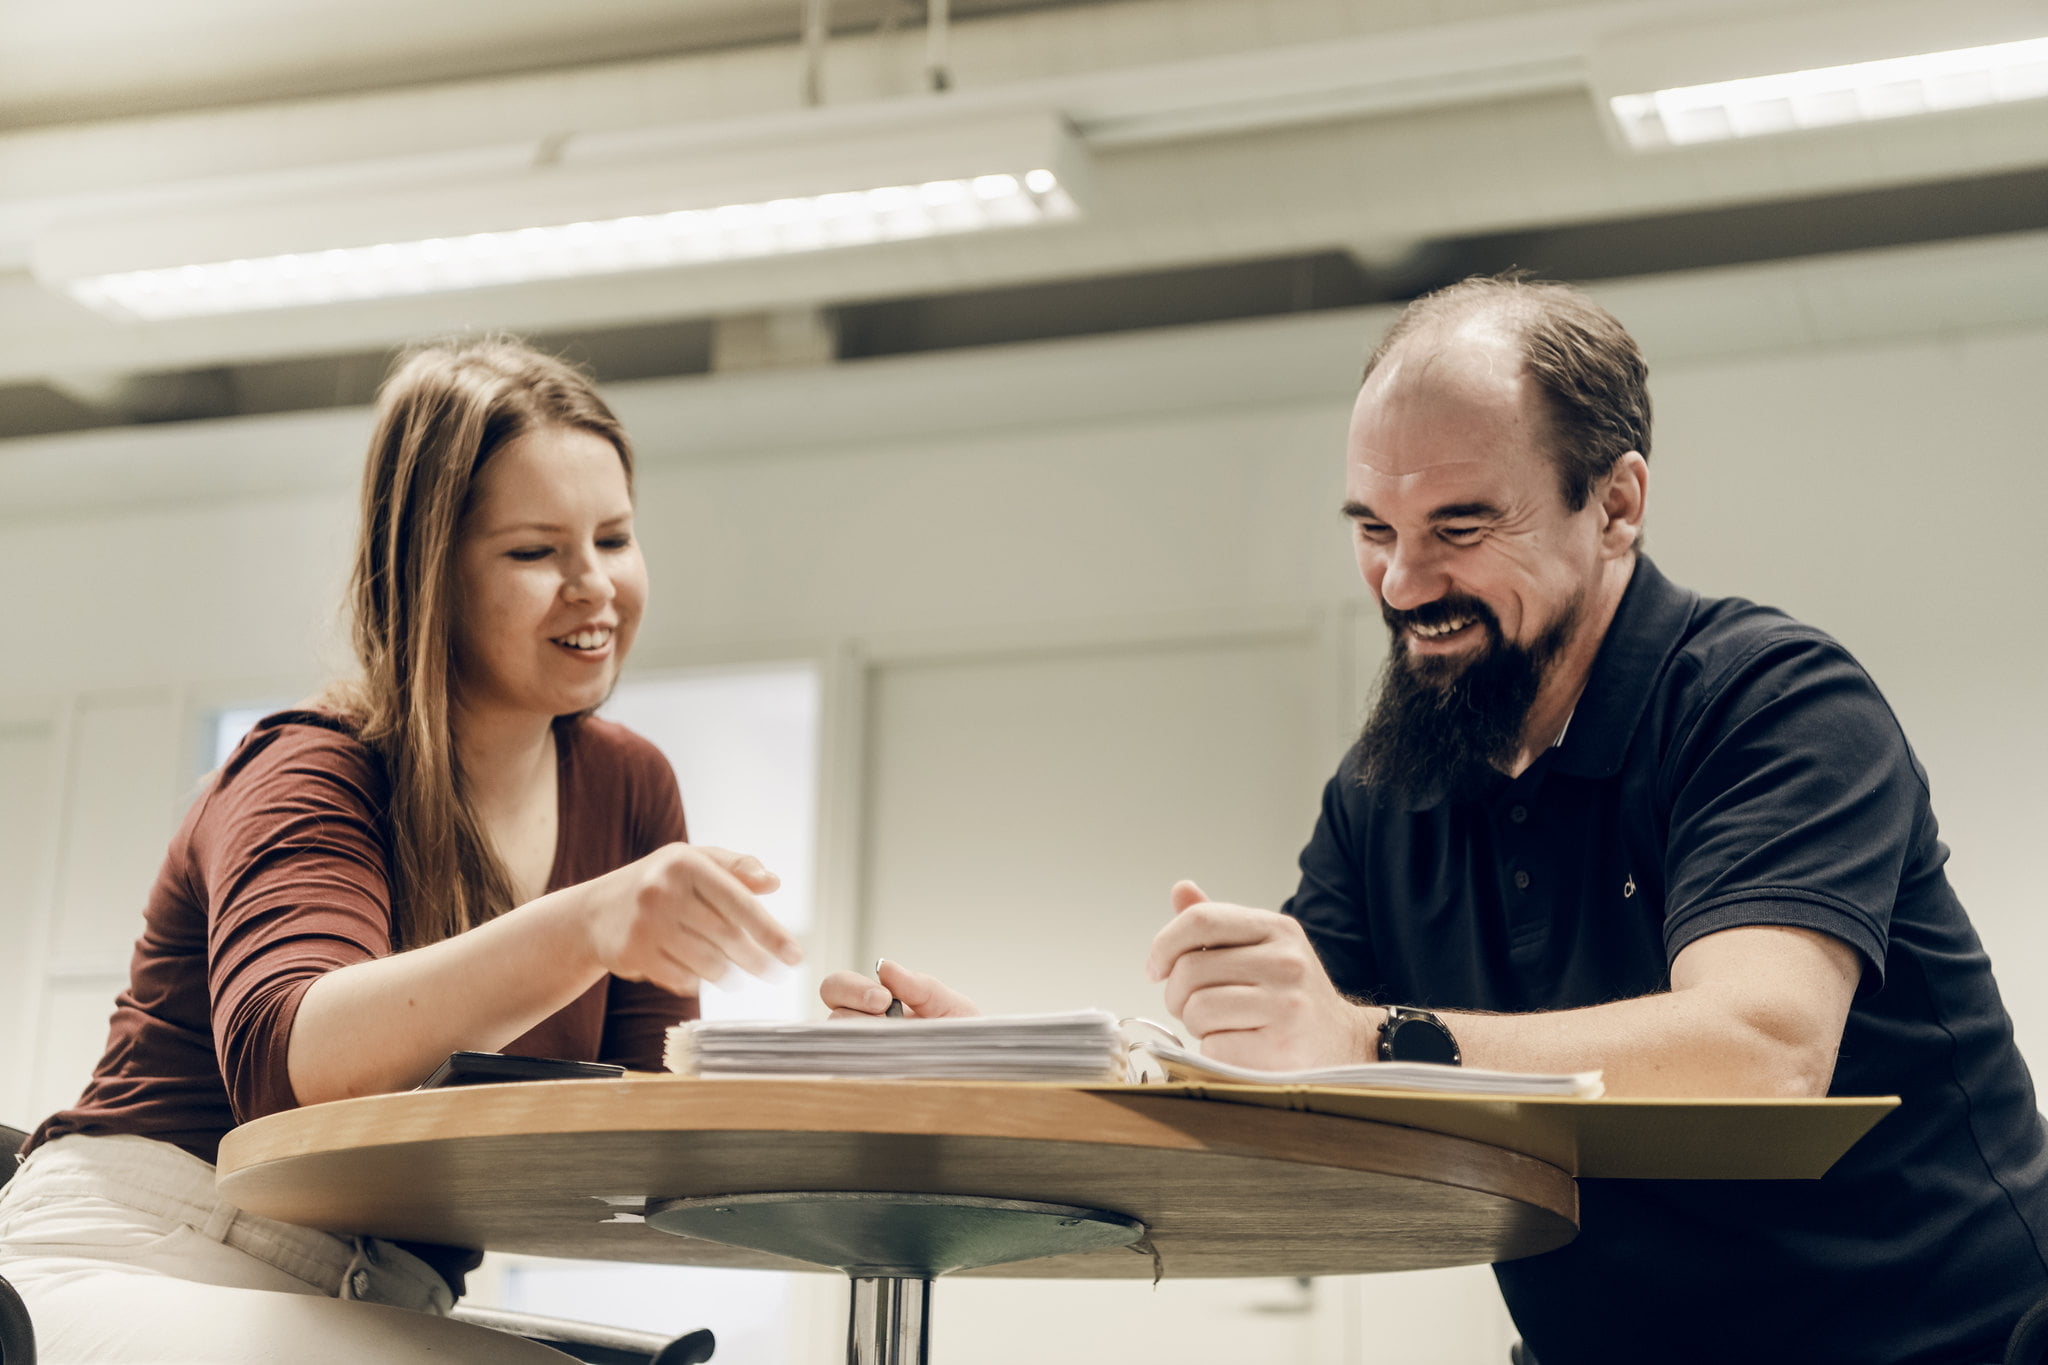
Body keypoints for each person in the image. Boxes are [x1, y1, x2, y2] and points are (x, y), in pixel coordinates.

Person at [824, 276, 2048, 1363]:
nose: (1404, 585)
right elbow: (1267, 1091)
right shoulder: (1390, 783)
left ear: (1614, 505)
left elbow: (1760, 1053)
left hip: (1939, 1341)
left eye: (1460, 528)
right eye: (1373, 531)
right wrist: (1019, 1064)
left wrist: (1367, 1042)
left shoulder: (1769, 703)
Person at [1, 338, 803, 1363]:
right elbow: (299, 1068)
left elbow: (646, 1134)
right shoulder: (309, 768)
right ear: (427, 572)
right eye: (533, 552)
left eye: (613, 539)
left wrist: (849, 1070)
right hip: (145, 1252)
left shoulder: (627, 785)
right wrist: (590, 923)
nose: (592, 587)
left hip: (380, 1293)